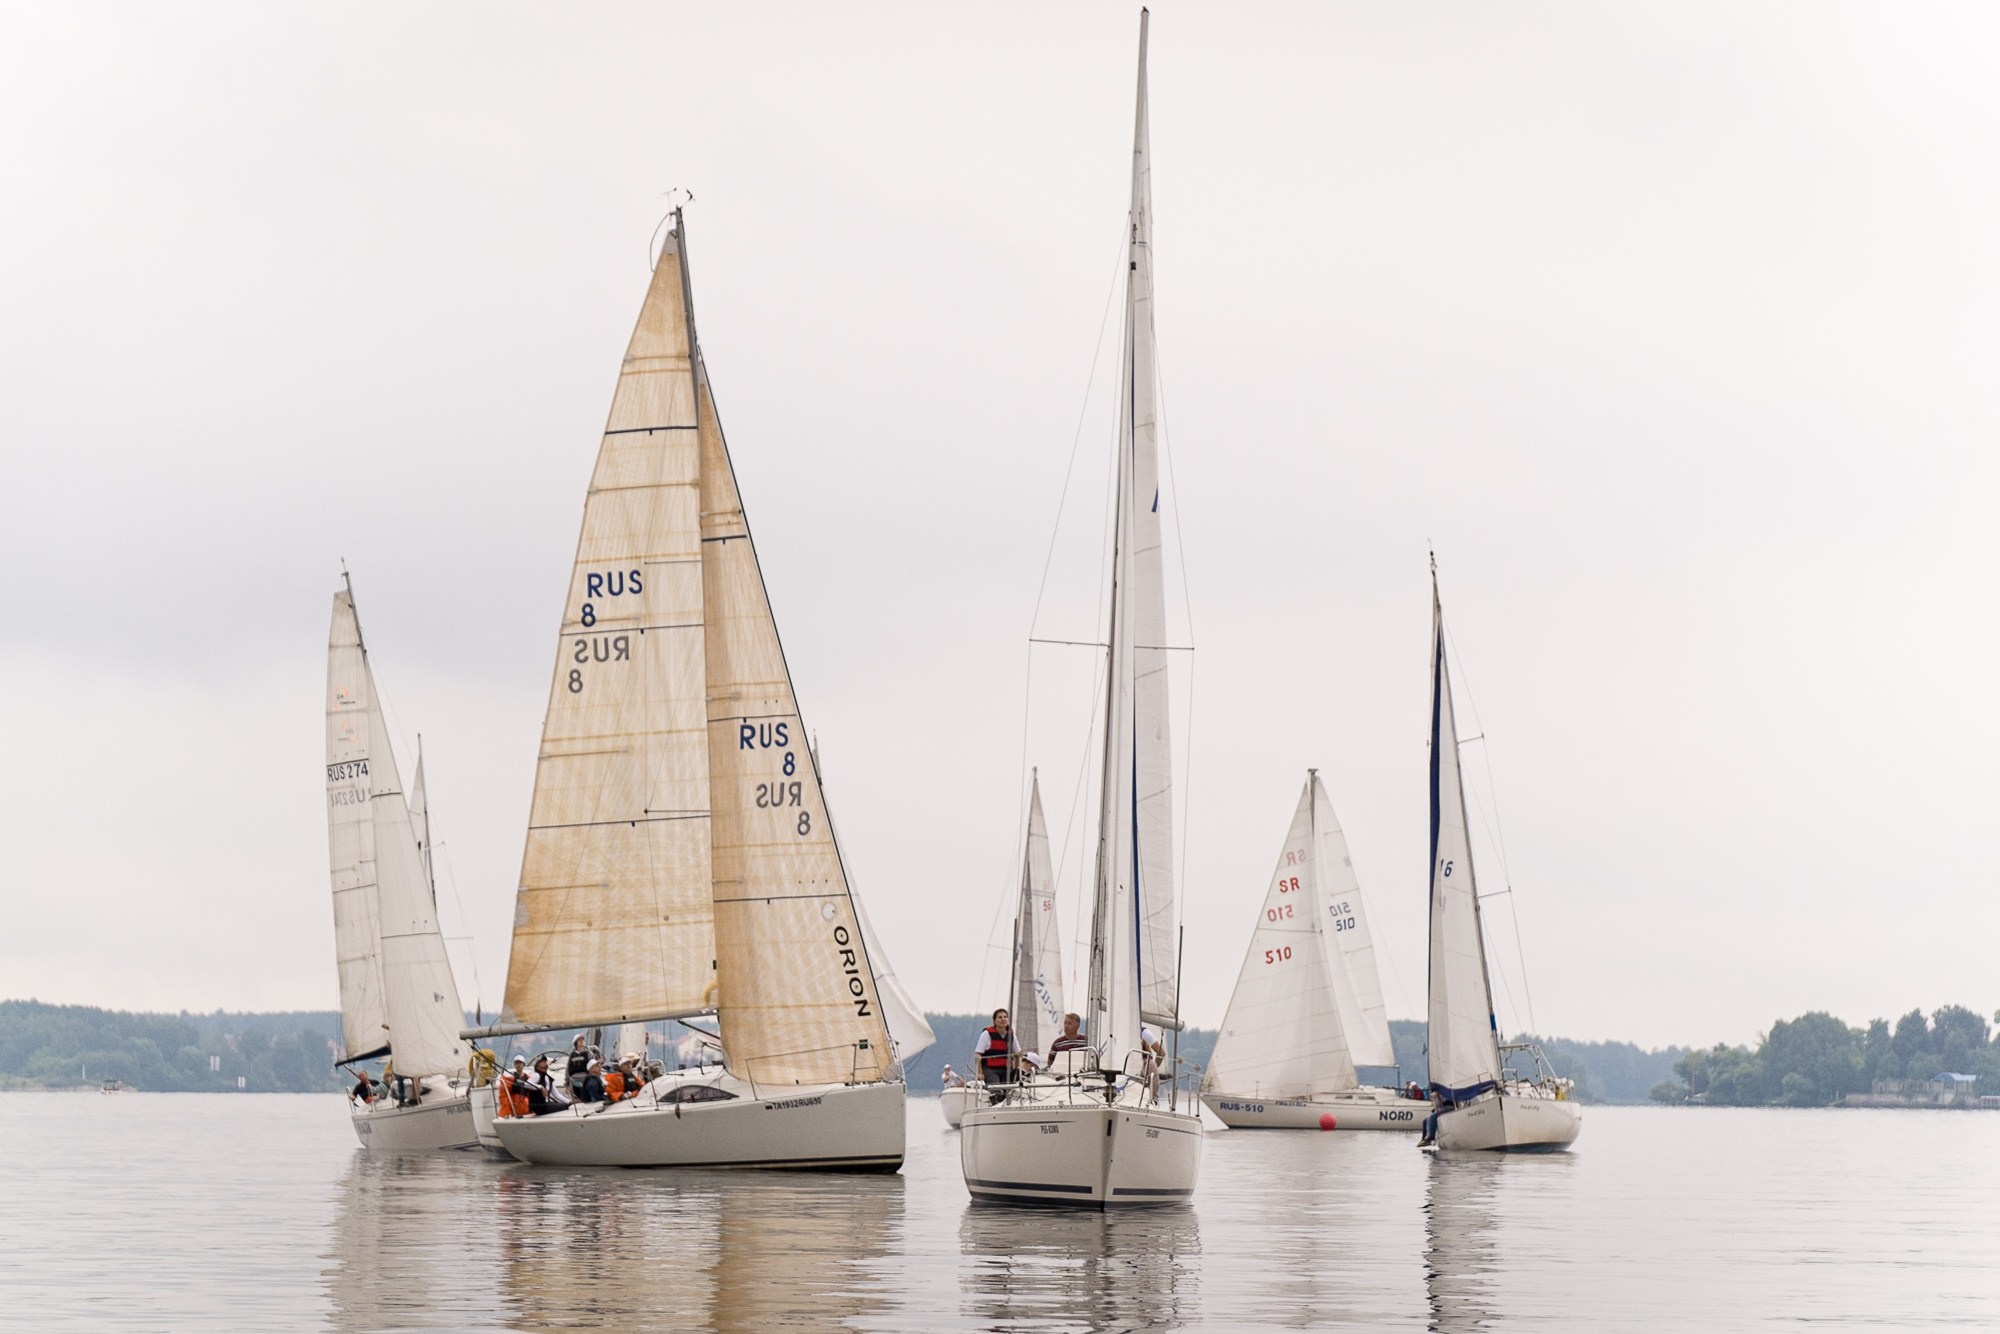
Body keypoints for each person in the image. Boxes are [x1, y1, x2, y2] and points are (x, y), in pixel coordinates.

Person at [973, 1008, 1018, 1103]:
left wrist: (1018, 1067)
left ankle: (1008, 1103)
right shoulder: (987, 1034)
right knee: (996, 1088)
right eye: (1000, 1017)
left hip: (1006, 1068)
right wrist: (980, 1073)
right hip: (990, 1068)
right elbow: (977, 1055)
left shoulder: (1011, 1035)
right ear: (994, 1021)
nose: (1003, 1019)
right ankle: (995, 1102)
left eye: (1005, 1017)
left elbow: (1018, 1053)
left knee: (1010, 1087)